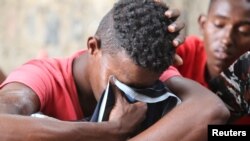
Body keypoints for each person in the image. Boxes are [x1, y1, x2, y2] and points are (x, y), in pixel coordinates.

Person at [0, 0, 229, 141]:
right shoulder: (43, 77)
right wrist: (108, 131)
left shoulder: (145, 70)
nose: (132, 100)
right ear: (93, 47)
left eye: (144, 89)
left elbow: (212, 110)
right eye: (121, 83)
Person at [161, 0, 250, 124]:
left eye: (244, 31)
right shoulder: (183, 52)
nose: (226, 39)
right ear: (203, 24)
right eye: (219, 24)